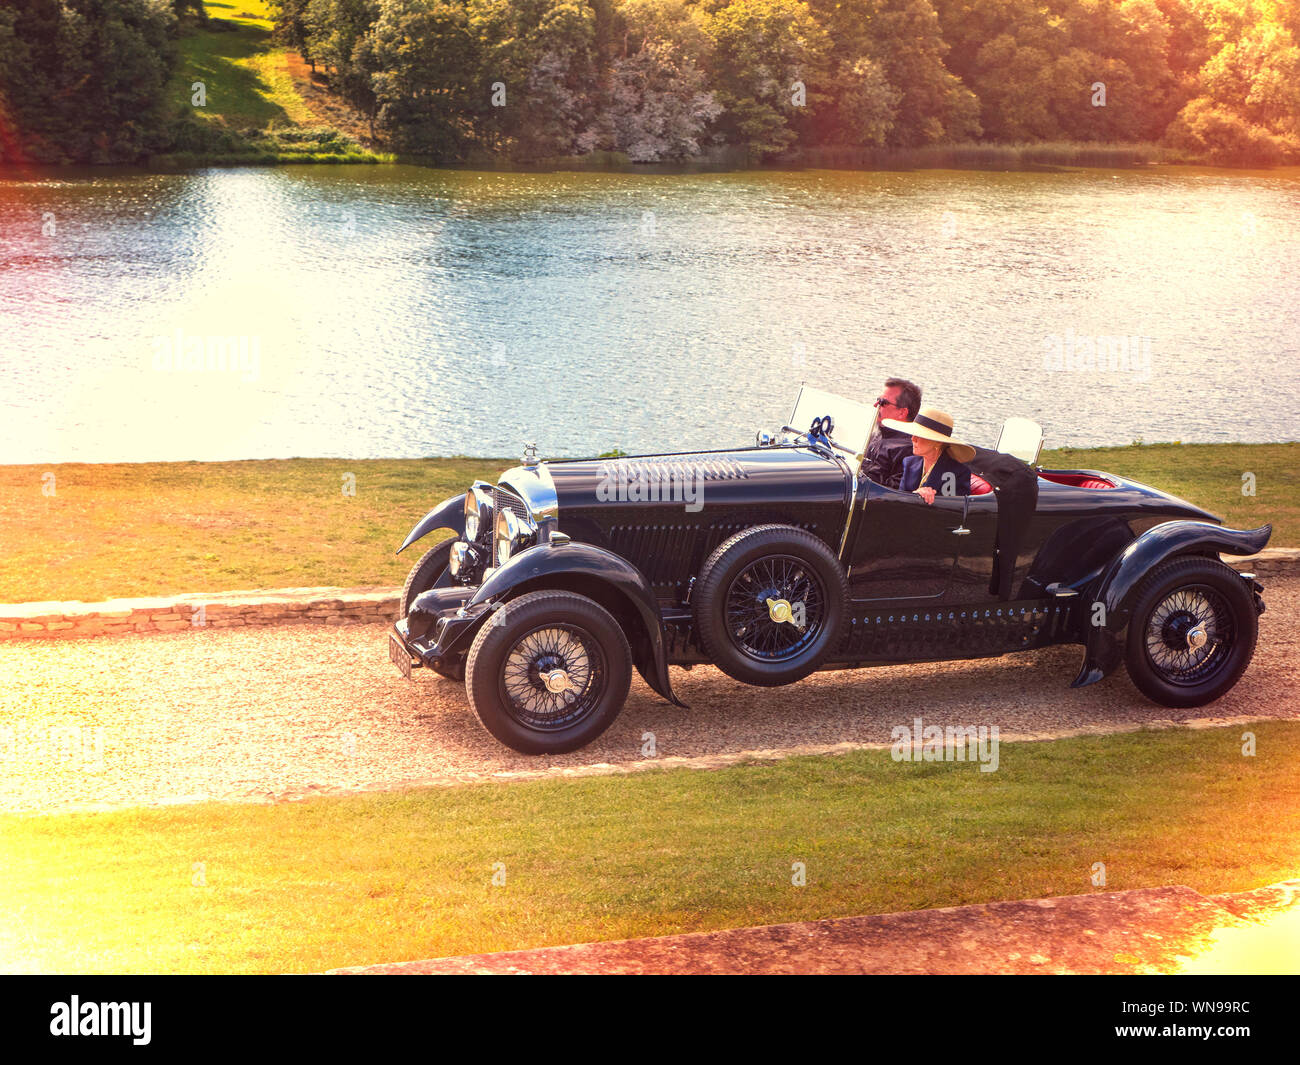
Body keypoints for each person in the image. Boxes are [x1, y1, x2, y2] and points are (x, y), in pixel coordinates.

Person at [881, 407, 975, 503]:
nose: (913, 439)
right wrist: (915, 495)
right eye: (913, 434)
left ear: (938, 442)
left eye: (920, 435)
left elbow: (951, 511)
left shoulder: (956, 473)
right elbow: (899, 501)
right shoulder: (909, 463)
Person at [862, 377, 921, 489]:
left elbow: (891, 494)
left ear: (902, 412)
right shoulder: (877, 434)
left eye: (882, 402)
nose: (876, 405)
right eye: (877, 399)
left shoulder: (909, 450)